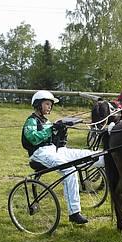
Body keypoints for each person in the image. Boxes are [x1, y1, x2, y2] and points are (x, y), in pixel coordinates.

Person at [21, 90, 104, 225]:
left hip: (55, 150)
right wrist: (51, 129)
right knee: (70, 170)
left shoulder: (46, 121)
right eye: (47, 104)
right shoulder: (31, 121)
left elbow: (56, 140)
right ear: (38, 104)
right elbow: (33, 138)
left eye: (51, 105)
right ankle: (74, 213)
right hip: (39, 153)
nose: (50, 107)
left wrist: (62, 130)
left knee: (95, 155)